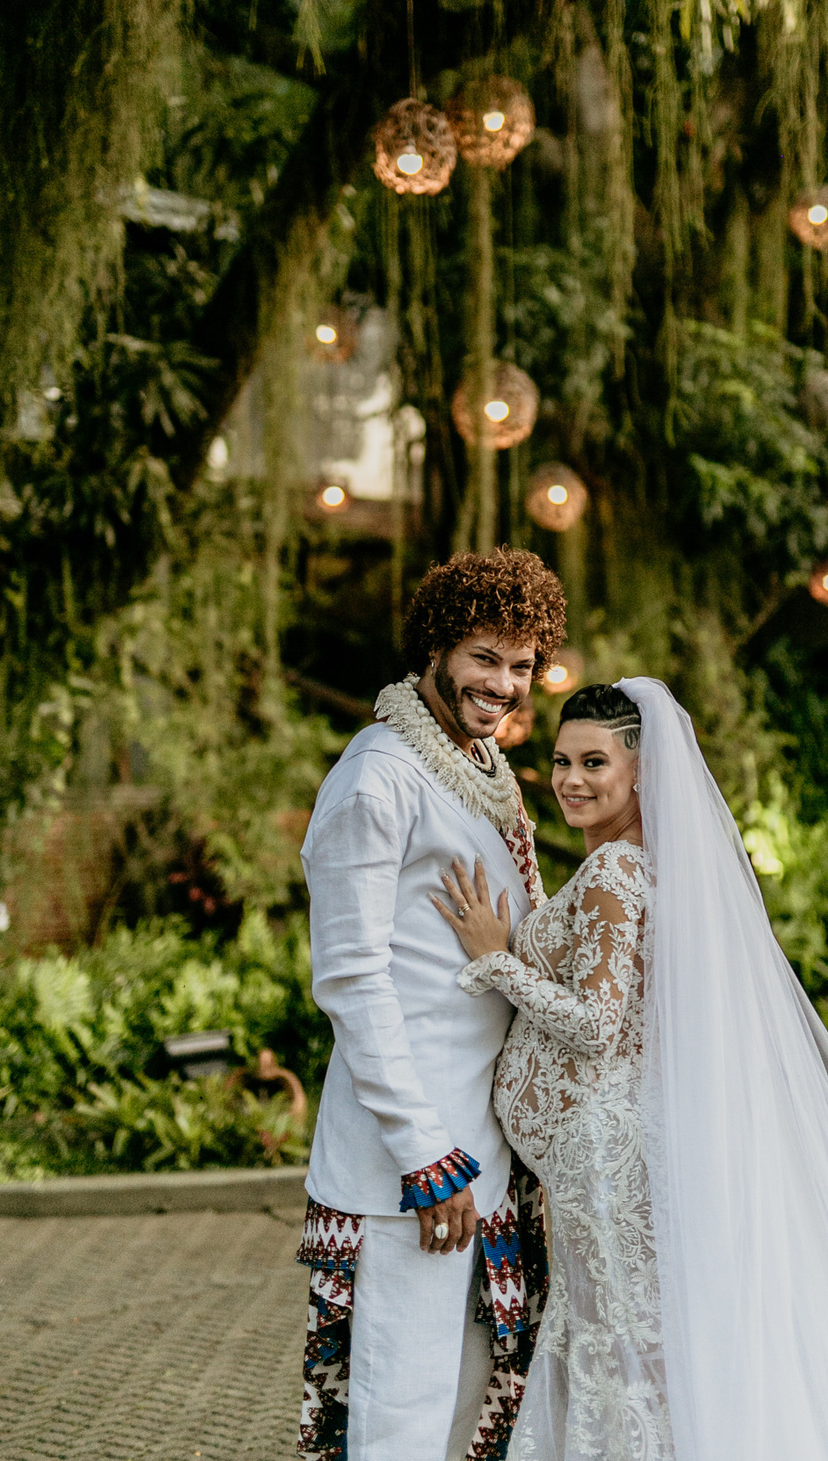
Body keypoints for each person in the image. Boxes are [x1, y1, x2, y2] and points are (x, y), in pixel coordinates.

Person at [438, 678, 828, 1461]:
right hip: (597, 1157)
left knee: (624, 1352)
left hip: (605, 1155)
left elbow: (597, 1027)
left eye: (595, 761)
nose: (571, 779)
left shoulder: (612, 875)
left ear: (642, 773)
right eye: (563, 760)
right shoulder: (649, 868)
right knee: (634, 1345)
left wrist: (498, 961)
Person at [294, 548, 565, 1461]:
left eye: (523, 665)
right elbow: (350, 977)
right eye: (484, 657)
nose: (504, 683)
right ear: (436, 649)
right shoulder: (378, 777)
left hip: (479, 1148)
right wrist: (424, 1153)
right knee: (397, 1411)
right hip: (413, 1163)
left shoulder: (479, 766)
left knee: (462, 1408)